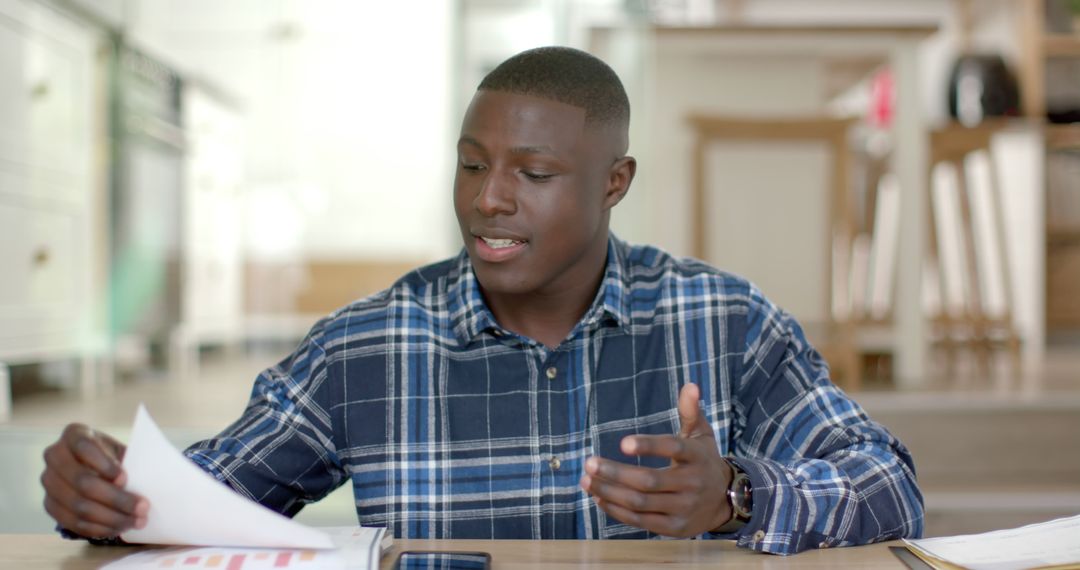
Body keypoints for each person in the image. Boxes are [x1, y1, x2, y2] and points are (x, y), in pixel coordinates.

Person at [40, 46, 923, 555]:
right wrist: (112, 493)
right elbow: (203, 499)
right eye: (471, 165)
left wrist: (736, 494)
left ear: (615, 182)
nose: (487, 199)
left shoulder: (723, 323)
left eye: (533, 174)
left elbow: (889, 487)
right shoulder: (367, 348)